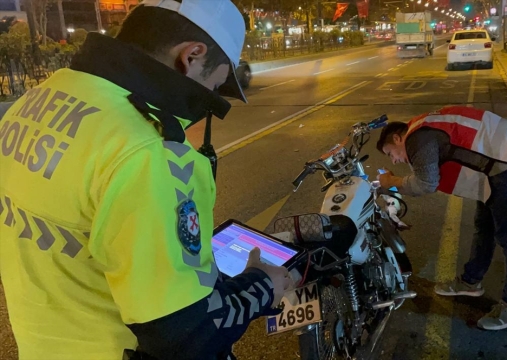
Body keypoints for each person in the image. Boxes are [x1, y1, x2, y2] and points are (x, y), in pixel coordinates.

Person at [0, 1, 291, 359]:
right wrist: (262, 284)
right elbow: (185, 336)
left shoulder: (38, 99)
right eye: (214, 86)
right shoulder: (147, 151)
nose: (209, 100)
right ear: (193, 56)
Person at [375, 106, 507, 331]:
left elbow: (426, 183)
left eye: (390, 153)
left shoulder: (416, 138)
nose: (394, 160)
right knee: (484, 226)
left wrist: (392, 181)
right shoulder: (423, 124)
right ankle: (470, 281)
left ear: (397, 137)